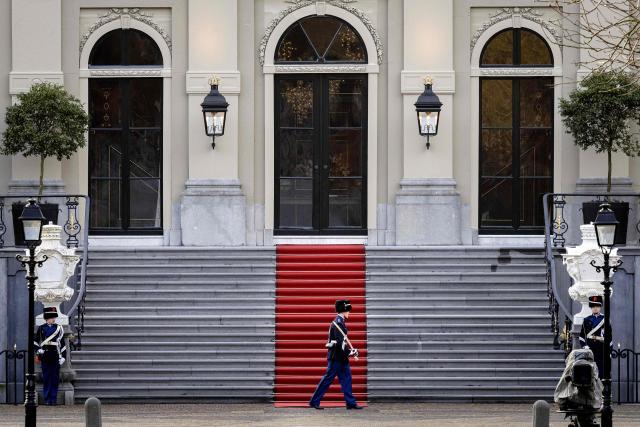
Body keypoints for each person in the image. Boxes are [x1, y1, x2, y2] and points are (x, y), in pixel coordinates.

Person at [309, 299, 363, 410]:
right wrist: (351, 352)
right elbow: (339, 344)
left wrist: (350, 352)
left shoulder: (340, 322)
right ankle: (314, 401)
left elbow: (342, 342)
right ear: (343, 311)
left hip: (341, 358)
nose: (349, 313)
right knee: (327, 380)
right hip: (336, 358)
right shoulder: (338, 323)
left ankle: (350, 403)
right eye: (348, 311)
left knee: (347, 379)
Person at [35, 307, 67, 405]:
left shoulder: (59, 328)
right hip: (45, 354)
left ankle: (53, 399)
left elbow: (62, 343)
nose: (54, 319)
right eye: (52, 317)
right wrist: (38, 350)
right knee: (46, 377)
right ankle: (47, 399)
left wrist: (63, 357)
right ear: (47, 318)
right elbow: (35, 341)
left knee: (54, 377)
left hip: (55, 354)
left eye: (54, 317)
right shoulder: (41, 328)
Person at [580, 295, 606, 377]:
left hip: (602, 349)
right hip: (590, 349)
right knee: (590, 374)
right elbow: (582, 336)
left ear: (600, 307)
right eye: (593, 306)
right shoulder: (586, 320)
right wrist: (584, 346)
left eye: (597, 306)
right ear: (591, 307)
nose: (595, 308)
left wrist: (609, 350)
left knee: (601, 373)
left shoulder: (605, 319)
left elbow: (609, 336)